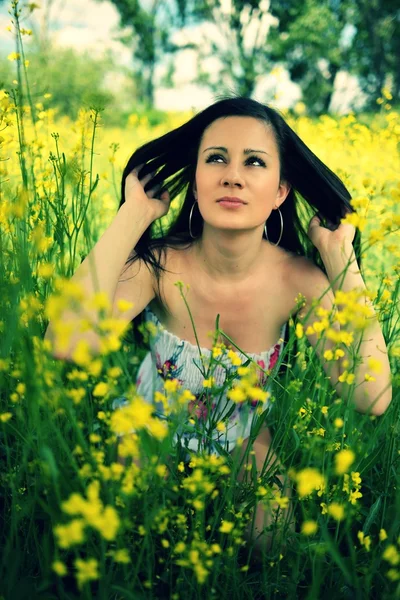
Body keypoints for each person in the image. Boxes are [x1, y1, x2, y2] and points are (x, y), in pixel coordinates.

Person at [45, 94, 392, 559]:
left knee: (277, 542)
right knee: (128, 537)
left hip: (243, 435)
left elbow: (372, 396)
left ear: (280, 191)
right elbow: (66, 343)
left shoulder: (295, 282)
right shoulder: (160, 265)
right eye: (215, 159)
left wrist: (338, 255)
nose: (233, 175)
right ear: (196, 179)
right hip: (147, 423)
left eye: (254, 162)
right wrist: (133, 216)